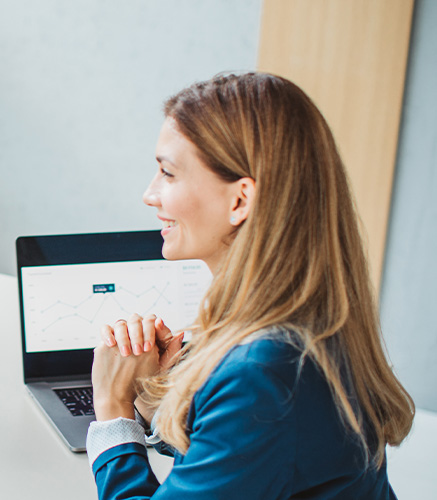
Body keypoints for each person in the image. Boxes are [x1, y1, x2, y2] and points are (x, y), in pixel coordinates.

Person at [87, 72, 415, 499]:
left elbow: (257, 424)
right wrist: (158, 403)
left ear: (240, 200)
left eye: (167, 173)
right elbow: (256, 457)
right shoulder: (303, 321)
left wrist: (113, 410)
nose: (150, 195)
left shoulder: (262, 370)